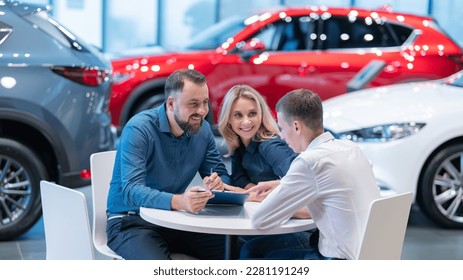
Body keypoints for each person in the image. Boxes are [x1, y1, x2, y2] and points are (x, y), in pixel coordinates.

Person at [105, 68, 231, 260]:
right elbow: (131, 190)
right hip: (131, 221)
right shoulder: (139, 129)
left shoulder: (202, 129)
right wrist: (179, 201)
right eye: (193, 104)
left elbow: (220, 173)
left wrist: (218, 183)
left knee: (238, 250)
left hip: (175, 220)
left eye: (205, 102)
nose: (203, 111)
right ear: (171, 104)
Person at [248, 88, 381, 260]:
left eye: (282, 127)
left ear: (296, 126)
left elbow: (261, 219)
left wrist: (278, 201)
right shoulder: (351, 149)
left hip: (338, 262)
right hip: (368, 256)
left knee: (251, 251)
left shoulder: (309, 161)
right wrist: (280, 184)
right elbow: (330, 182)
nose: (281, 136)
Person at [217, 84, 313, 258]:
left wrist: (253, 195)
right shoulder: (240, 144)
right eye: (238, 115)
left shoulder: (270, 145)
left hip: (301, 227)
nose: (246, 122)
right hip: (274, 221)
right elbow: (238, 178)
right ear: (229, 120)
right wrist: (251, 190)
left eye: (252, 114)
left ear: (261, 115)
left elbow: (301, 183)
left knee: (246, 251)